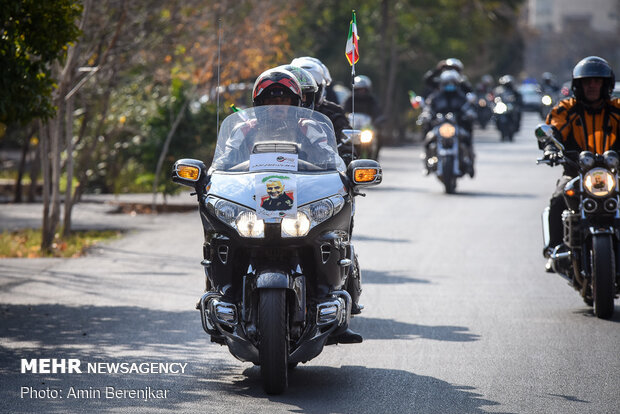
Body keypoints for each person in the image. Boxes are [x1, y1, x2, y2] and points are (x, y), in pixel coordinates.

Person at [541, 56, 620, 272]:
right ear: (579, 85)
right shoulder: (567, 108)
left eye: (597, 81)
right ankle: (555, 250)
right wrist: (550, 148)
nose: (592, 85)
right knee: (559, 197)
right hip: (577, 172)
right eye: (587, 81)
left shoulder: (617, 109)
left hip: (614, 173)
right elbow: (552, 130)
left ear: (606, 84)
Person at [291, 56, 356, 165]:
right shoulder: (277, 111)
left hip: (320, 172)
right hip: (278, 171)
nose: (304, 97)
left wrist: (347, 156)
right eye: (298, 90)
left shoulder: (333, 112)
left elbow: (347, 145)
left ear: (320, 89)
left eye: (310, 91)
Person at [419, 69, 476, 177]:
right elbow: (428, 108)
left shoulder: (461, 97)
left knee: (467, 138)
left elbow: (468, 107)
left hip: (456, 125)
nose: (449, 86)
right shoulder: (436, 97)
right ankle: (427, 162)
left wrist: (469, 114)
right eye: (447, 83)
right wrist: (426, 115)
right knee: (428, 139)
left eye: (452, 83)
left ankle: (470, 161)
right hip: (440, 125)